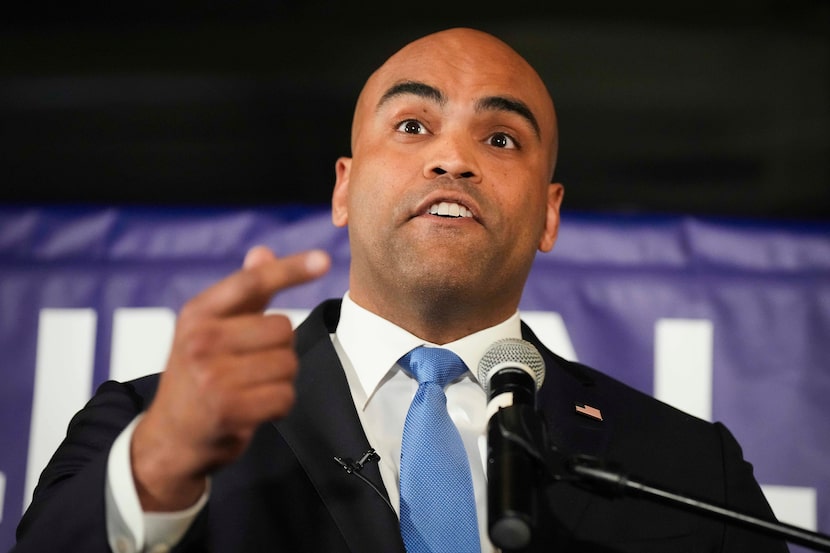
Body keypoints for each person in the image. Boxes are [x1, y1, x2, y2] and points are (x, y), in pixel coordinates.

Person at [11, 27, 788, 553]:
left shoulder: (688, 468)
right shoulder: (149, 425)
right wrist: (156, 465)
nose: (453, 159)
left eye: (501, 138)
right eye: (413, 126)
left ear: (549, 214)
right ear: (344, 189)